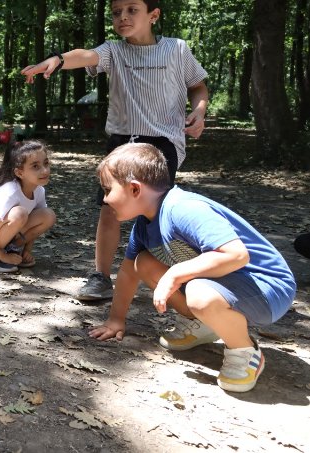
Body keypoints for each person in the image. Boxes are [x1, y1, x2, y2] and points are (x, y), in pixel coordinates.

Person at [21, 0, 208, 302]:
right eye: (116, 12)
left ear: (153, 15)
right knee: (110, 208)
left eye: (132, 10)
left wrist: (199, 111)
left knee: (158, 212)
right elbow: (85, 56)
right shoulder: (114, 50)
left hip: (162, 143)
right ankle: (100, 277)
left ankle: (174, 277)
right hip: (122, 140)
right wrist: (56, 59)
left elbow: (198, 85)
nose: (123, 17)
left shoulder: (177, 49)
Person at [88, 143, 295, 392]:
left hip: (267, 288)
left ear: (134, 188)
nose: (106, 198)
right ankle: (205, 324)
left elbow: (237, 255)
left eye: (108, 189)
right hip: (228, 285)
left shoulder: (183, 209)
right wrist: (115, 320)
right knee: (143, 261)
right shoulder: (144, 225)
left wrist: (176, 273)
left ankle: (244, 350)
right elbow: (128, 272)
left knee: (198, 292)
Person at [0, 141, 57, 272]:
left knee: (48, 215)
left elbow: (35, 222)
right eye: (35, 166)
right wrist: (2, 256)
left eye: (46, 163)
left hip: (6, 231)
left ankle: (13, 249)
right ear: (19, 173)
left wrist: (27, 250)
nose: (45, 170)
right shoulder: (8, 191)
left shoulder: (39, 190)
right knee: (19, 213)